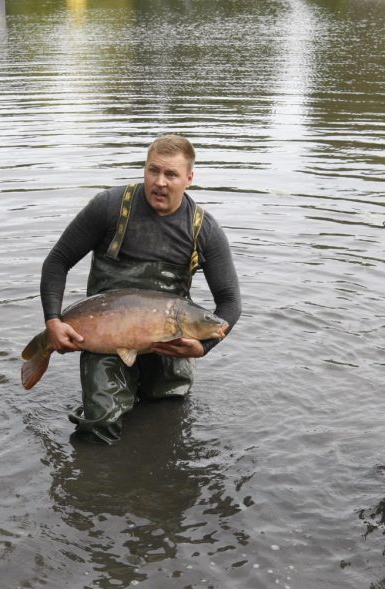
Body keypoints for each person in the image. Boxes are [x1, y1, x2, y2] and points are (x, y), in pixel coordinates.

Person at [37, 134, 241, 444]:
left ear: (189, 178)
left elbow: (229, 303)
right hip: (109, 330)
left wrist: (203, 348)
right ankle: (90, 481)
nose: (160, 182)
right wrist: (53, 321)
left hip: (168, 339)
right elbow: (57, 262)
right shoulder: (109, 207)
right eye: (153, 170)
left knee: (168, 416)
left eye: (171, 174)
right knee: (101, 421)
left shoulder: (204, 229)